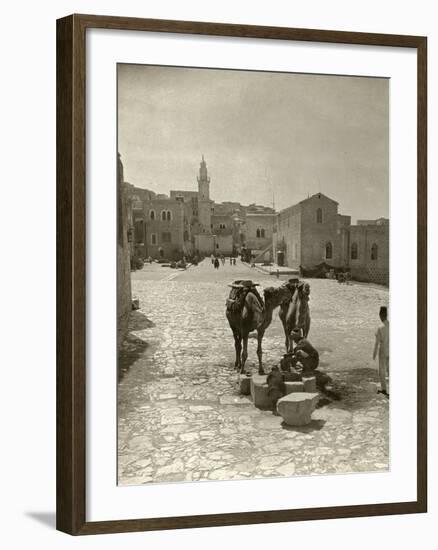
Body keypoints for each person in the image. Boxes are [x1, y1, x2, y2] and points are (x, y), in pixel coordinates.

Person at [373, 306, 389, 396]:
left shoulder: (380, 327)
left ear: (381, 315)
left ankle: (384, 389)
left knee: (382, 371)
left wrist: (374, 354)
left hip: (383, 351)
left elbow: (376, 343)